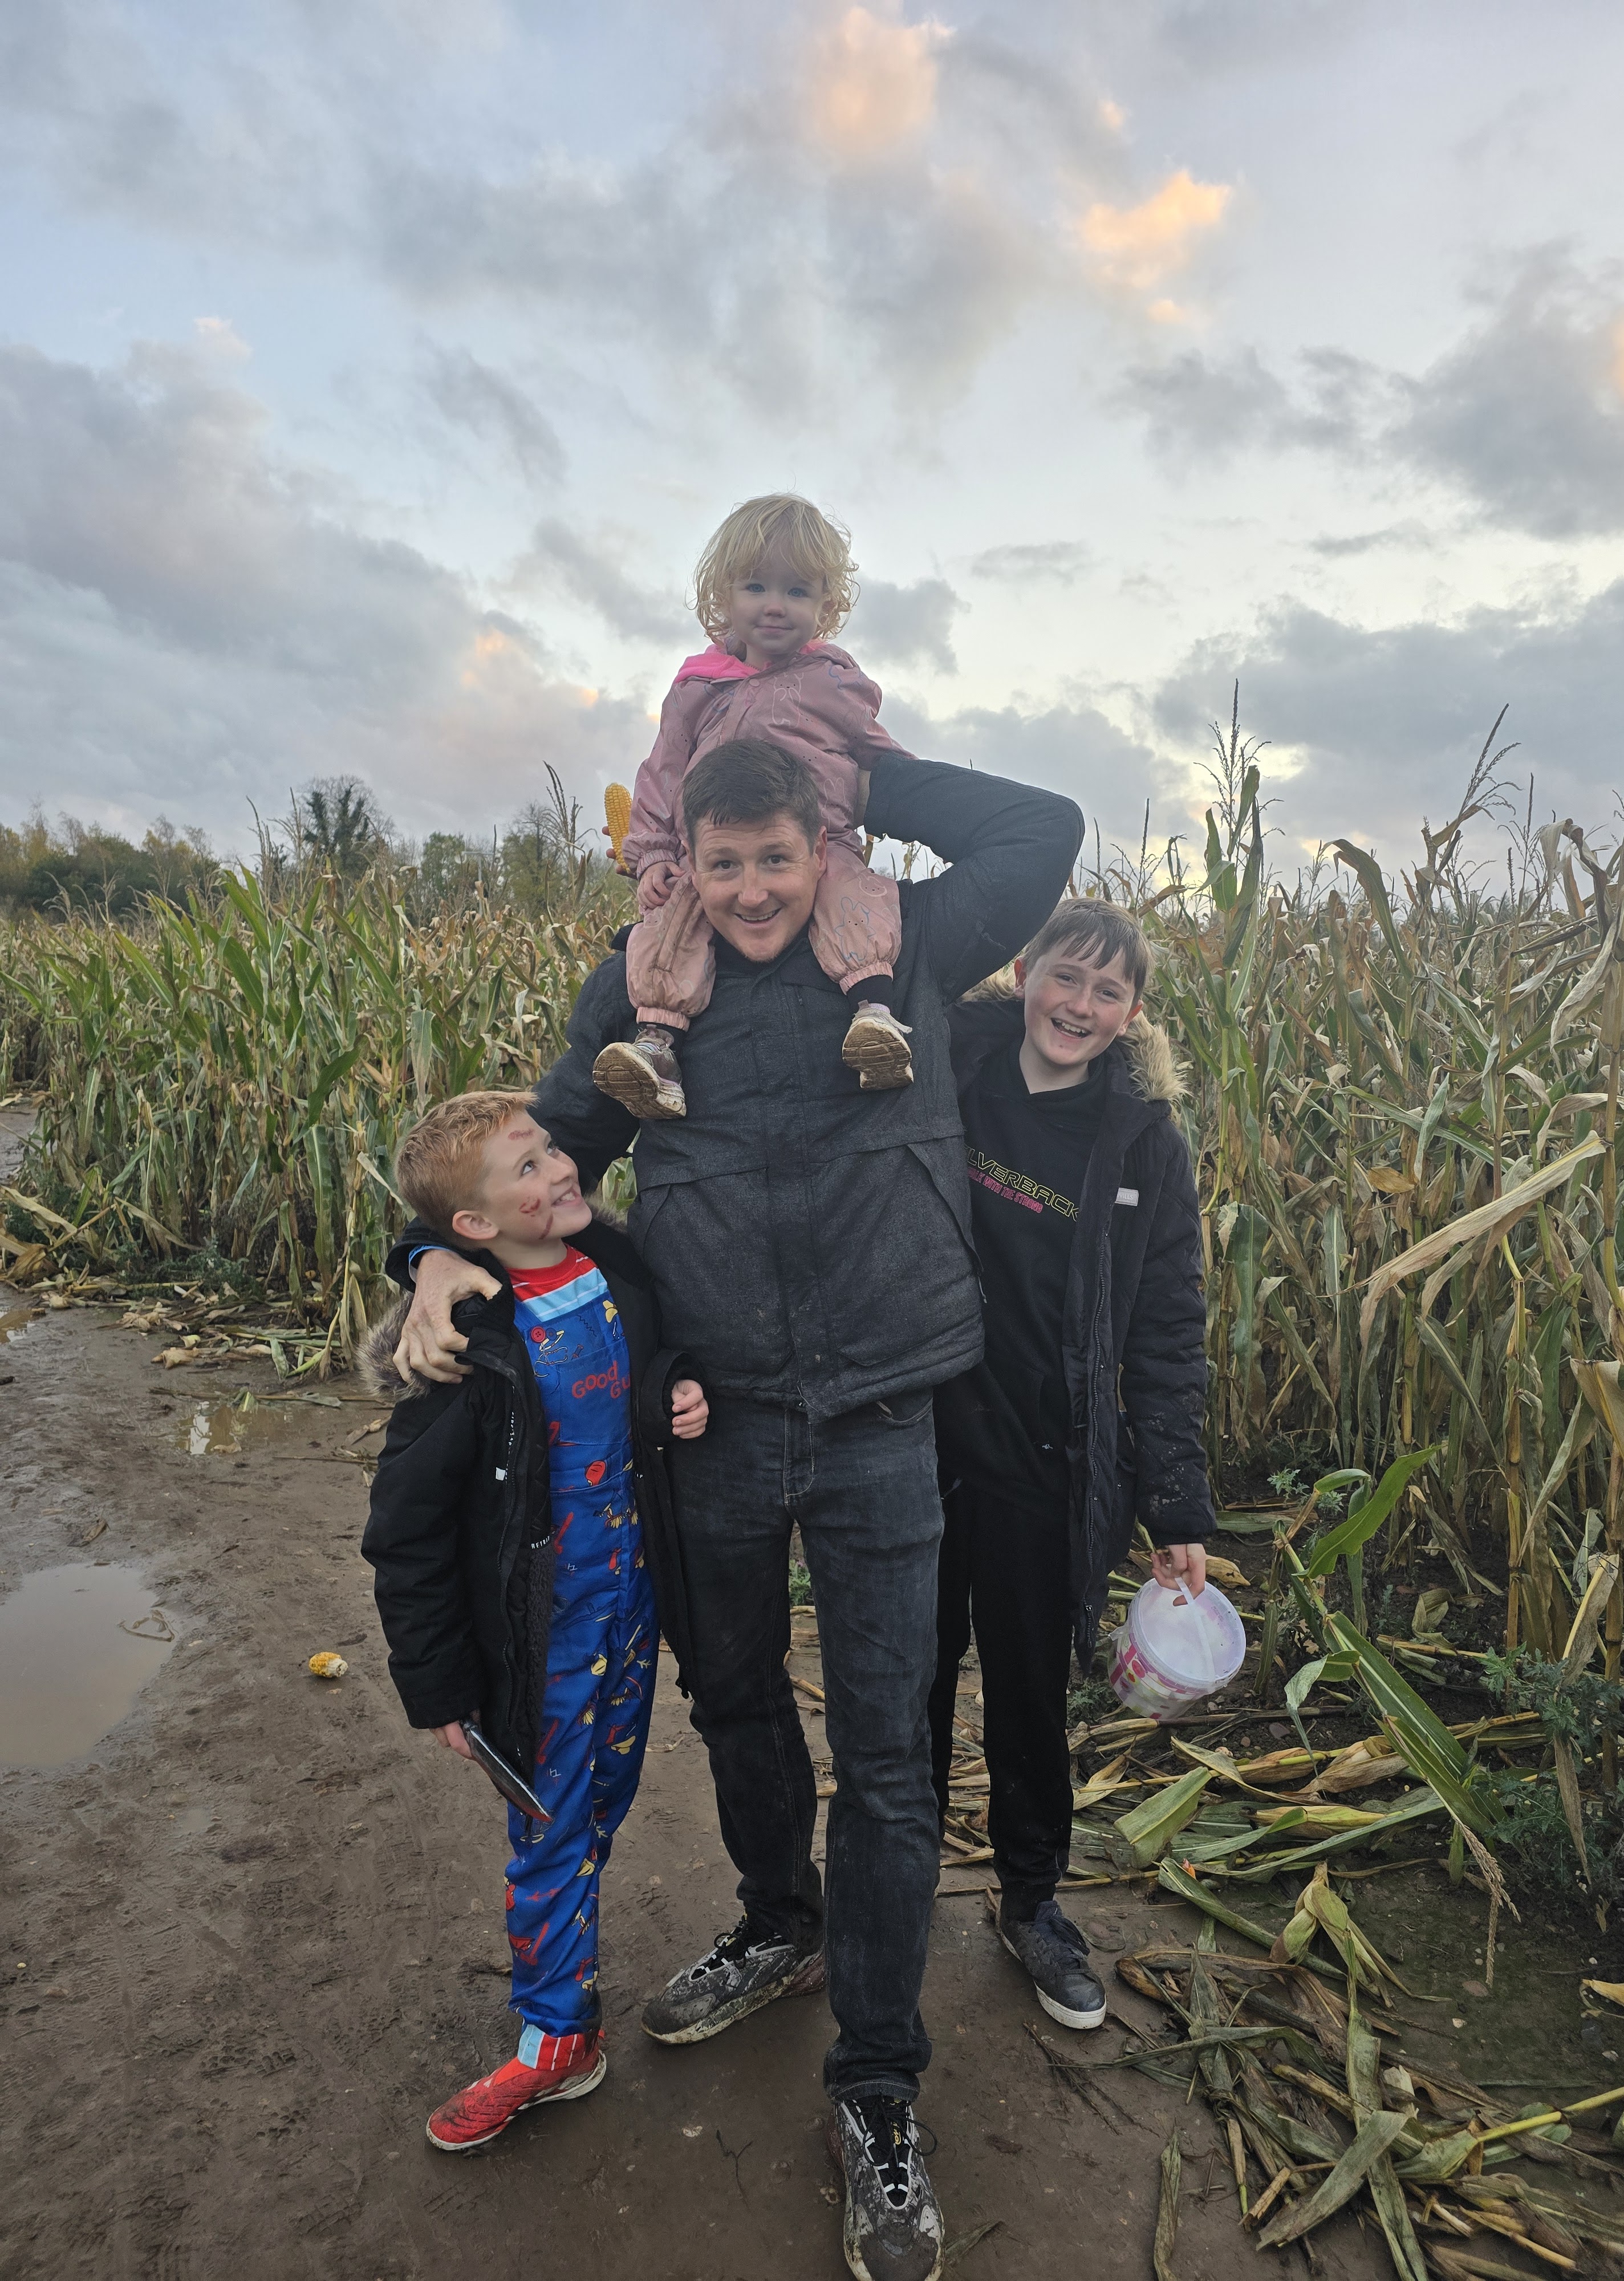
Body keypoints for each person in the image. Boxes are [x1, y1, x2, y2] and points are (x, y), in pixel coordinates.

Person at [390, 737, 1083, 2281]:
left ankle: (879, 2085)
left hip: (886, 1407)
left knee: (893, 1755)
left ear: (817, 841)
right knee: (734, 1696)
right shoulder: (650, 977)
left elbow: (1048, 821)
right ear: (681, 862)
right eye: (725, 862)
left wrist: (858, 778)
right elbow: (541, 1163)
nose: (757, 891)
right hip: (710, 1413)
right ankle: (782, 1918)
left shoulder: (907, 935)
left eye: (782, 856)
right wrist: (430, 1258)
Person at [359, 1090, 709, 2154]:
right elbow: (405, 1533)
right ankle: (556, 2034)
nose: (560, 1168)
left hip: (633, 1607)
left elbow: (659, 1349)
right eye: (527, 1167)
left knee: (599, 1803)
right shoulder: (468, 1340)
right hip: (540, 1637)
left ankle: (569, 1989)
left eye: (552, 1147)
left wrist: (676, 1388)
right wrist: (440, 1686)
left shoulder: (615, 1266)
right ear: (469, 1230)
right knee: (547, 1833)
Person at [927, 900, 1216, 2033]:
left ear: (1132, 1012)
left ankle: (1032, 1897)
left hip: (1045, 1463)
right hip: (915, 1440)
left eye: (1108, 992)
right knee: (907, 1682)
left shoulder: (1143, 1137)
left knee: (1029, 1694)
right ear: (1023, 968)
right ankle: (893, 1881)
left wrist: (1176, 1498)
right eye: (1066, 977)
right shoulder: (945, 1059)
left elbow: (1166, 1320)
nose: (1080, 1006)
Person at [592, 492, 917, 1122]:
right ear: (724, 596)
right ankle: (658, 1047)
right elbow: (662, 773)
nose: (775, 604)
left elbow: (882, 752)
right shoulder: (698, 688)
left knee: (853, 898)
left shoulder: (832, 681)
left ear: (827, 605)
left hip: (816, 849)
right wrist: (655, 852)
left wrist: (910, 797)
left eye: (797, 591)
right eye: (756, 586)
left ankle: (874, 1016)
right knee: (670, 926)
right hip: (711, 856)